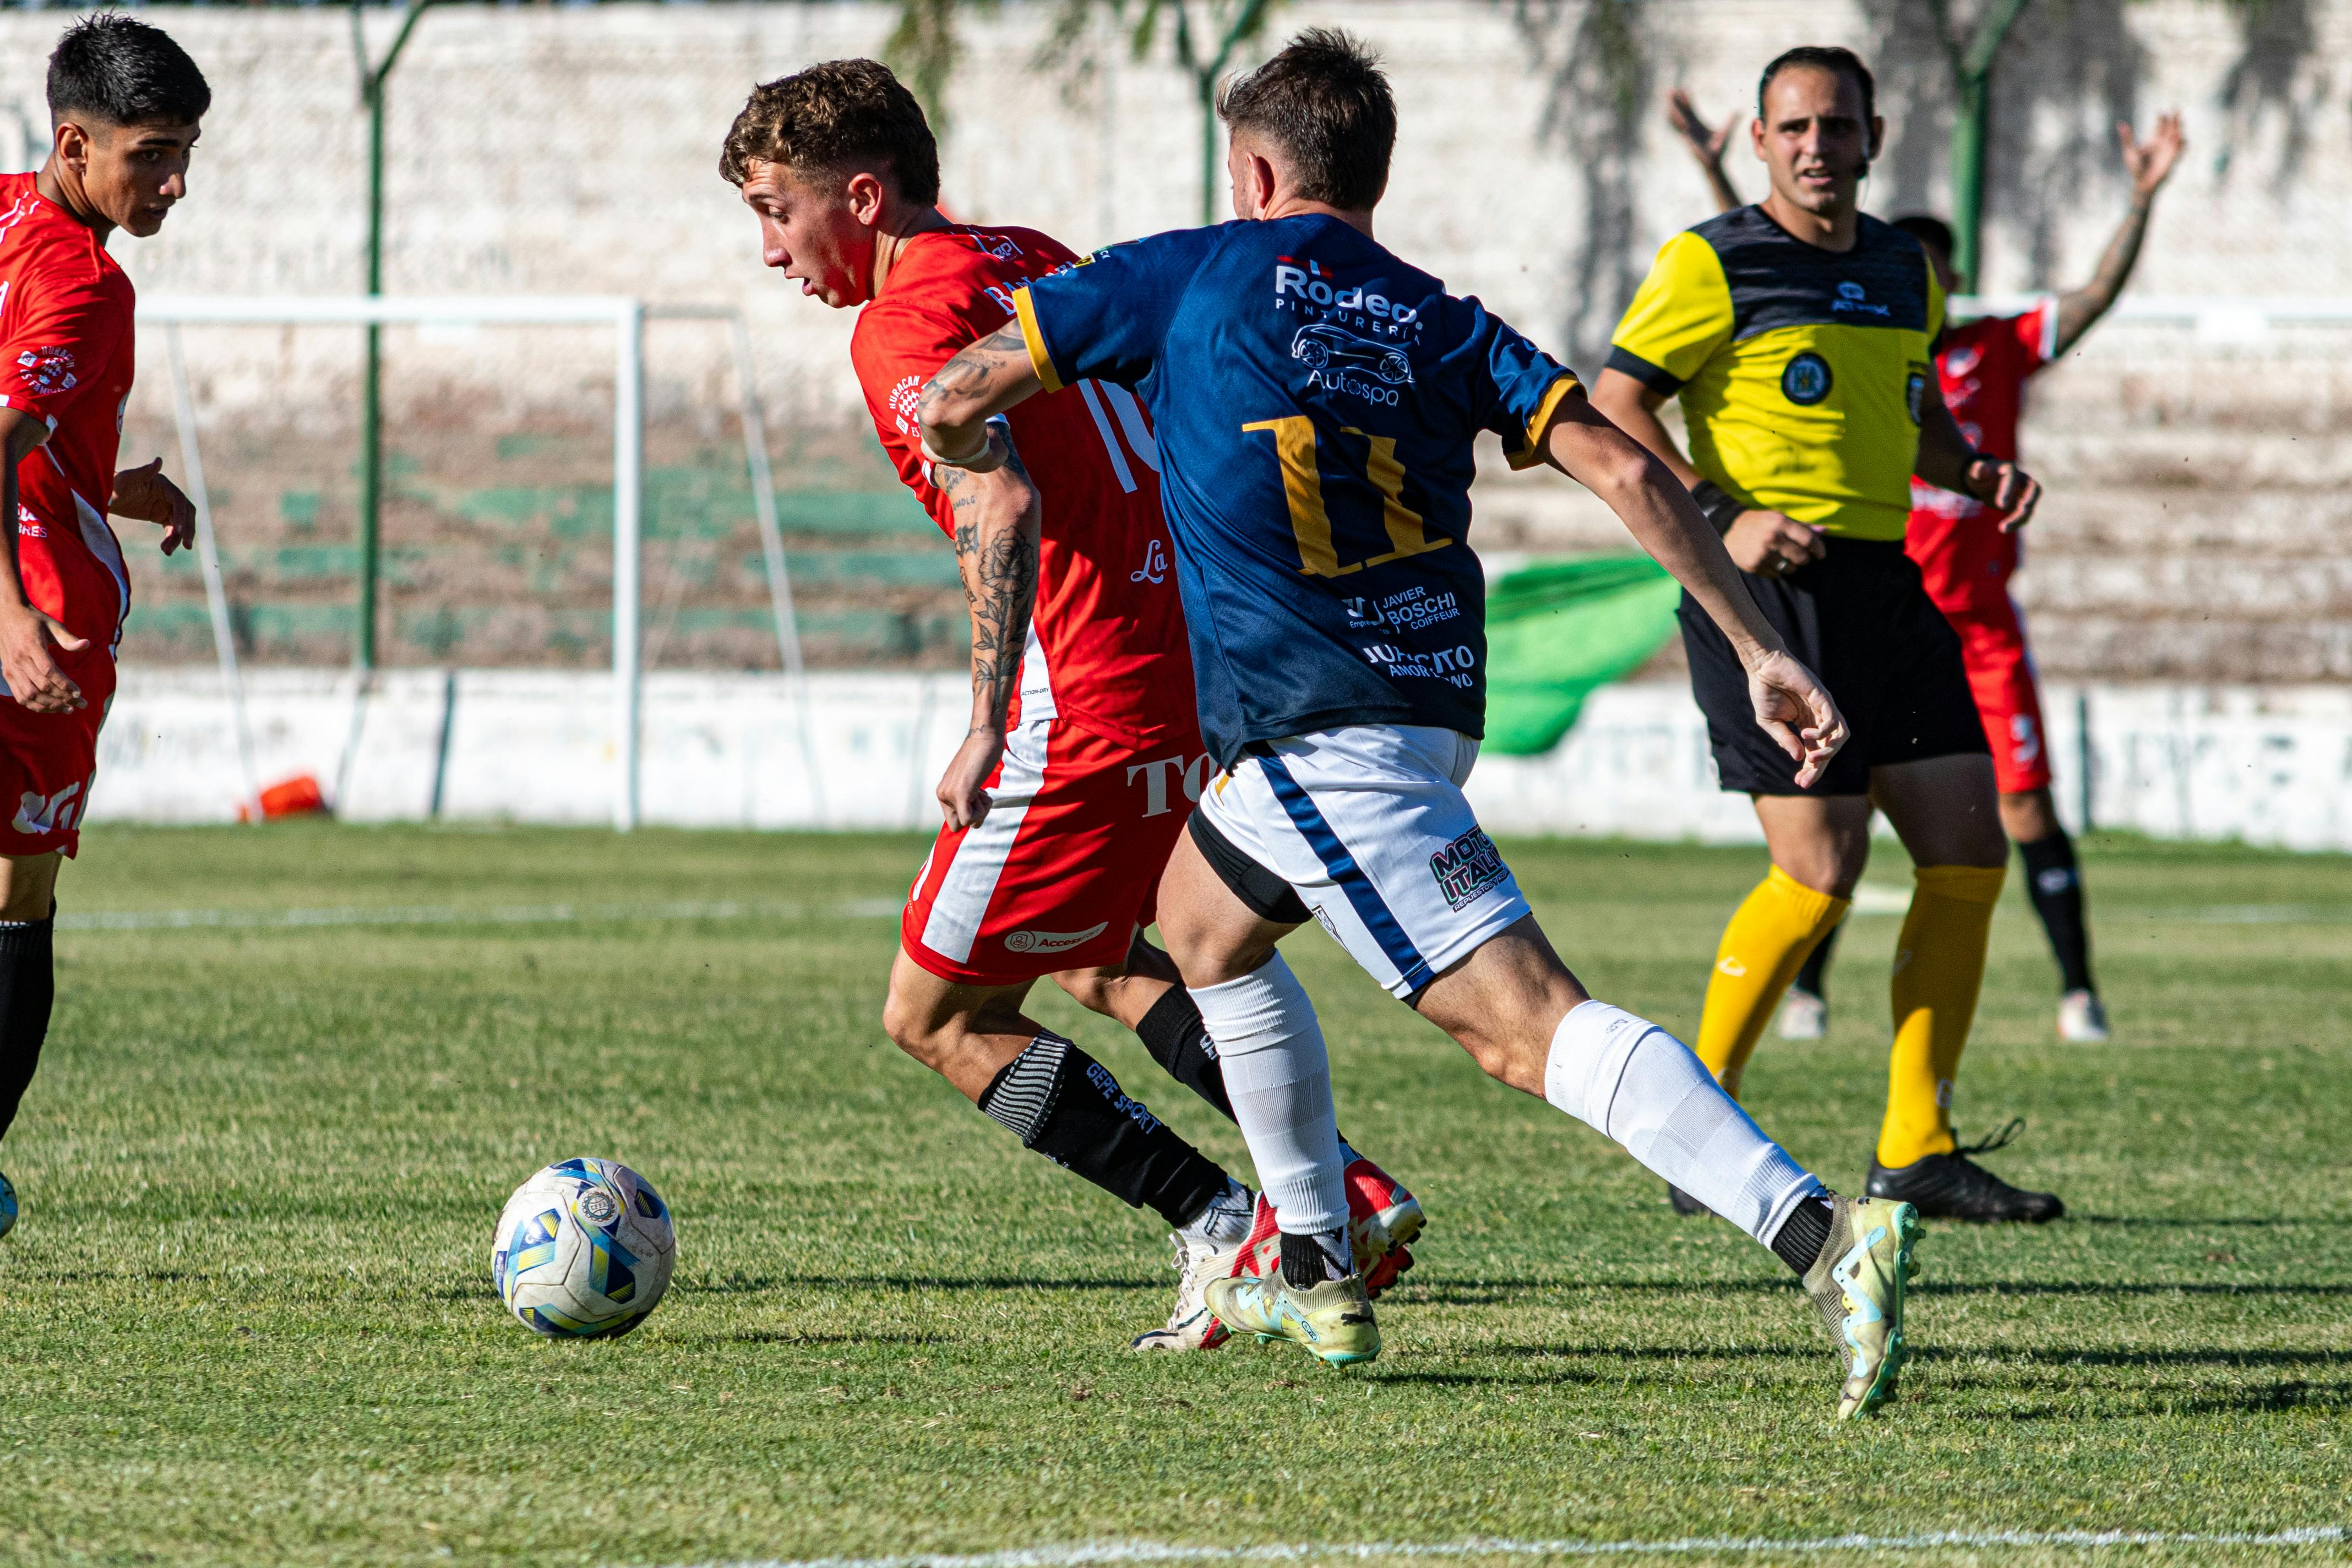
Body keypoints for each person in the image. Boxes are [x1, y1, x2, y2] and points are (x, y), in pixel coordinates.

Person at [918, 28, 1923, 1420]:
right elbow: (1628, 467)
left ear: (1253, 170)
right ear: (1372, 176)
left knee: (1526, 1028)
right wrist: (1758, 646)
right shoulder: (1440, 316)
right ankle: (1317, 1261)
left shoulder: (1185, 270)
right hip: (1422, 705)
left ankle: (1818, 1231)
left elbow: (959, 391)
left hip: (1324, 731)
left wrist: (962, 443)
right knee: (1201, 923)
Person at [718, 59, 1424, 1354]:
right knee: (1107, 951)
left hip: (1085, 693)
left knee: (935, 1016)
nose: (769, 249)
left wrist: (988, 719)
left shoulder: (901, 327)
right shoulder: (1030, 254)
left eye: (777, 210)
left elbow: (999, 498)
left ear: (861, 197)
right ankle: (1346, 1190)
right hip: (1191, 663)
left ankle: (1223, 1220)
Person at [1593, 46, 2063, 1224]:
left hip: (1884, 584)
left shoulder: (1904, 268)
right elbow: (1613, 405)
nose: (1818, 146)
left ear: (1874, 138)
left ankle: (1917, 1146)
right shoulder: (1711, 260)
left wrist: (1975, 470)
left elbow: (1919, 416)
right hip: (1761, 597)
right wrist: (1725, 514)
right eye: (1796, 127)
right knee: (1820, 870)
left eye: (1839, 126)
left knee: (1970, 852)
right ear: (1760, 140)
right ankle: (1693, 1129)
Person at [1667, 88, 2187, 1047]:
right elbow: (1762, 260)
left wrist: (2144, 199)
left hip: (1966, 626)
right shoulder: (1804, 313)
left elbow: (2088, 301)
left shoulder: (1981, 343)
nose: (1904, 279)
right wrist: (1725, 512)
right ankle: (1780, 1024)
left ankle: (2068, 1001)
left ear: (1948, 279)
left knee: (1993, 825)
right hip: (1837, 599)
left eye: (1928, 268)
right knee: (1831, 845)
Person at [0, 15, 206, 1244]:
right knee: (19, 896)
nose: (175, 183)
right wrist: (12, 619)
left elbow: (27, 436)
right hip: (43, 628)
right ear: (77, 144)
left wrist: (111, 482)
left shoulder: (6, 215)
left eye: (186, 154)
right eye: (153, 154)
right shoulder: (89, 286)